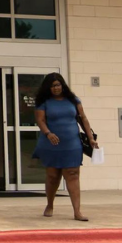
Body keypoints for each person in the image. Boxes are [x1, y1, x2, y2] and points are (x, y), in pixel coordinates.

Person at [31, 72, 98, 221]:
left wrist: (91, 138)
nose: (55, 88)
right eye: (52, 86)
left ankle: (77, 211)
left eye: (57, 85)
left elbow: (83, 119)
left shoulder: (73, 100)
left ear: (62, 85)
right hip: (51, 143)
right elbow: (40, 121)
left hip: (72, 144)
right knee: (53, 176)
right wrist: (48, 133)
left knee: (73, 175)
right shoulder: (43, 102)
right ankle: (50, 204)